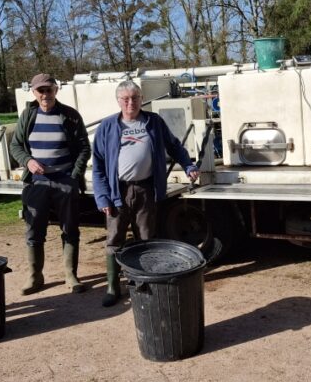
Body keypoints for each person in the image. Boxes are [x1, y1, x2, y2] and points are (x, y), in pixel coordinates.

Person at [92, 81, 199, 307]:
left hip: (146, 189)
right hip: (117, 192)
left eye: (135, 97)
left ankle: (143, 283)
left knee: (147, 238)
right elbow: (99, 165)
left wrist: (188, 165)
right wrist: (102, 196)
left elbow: (174, 145)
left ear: (142, 99)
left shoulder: (154, 122)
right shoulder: (108, 126)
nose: (131, 102)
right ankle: (113, 287)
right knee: (114, 240)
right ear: (118, 101)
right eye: (126, 99)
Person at [10, 73, 91, 295]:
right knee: (34, 230)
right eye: (41, 90)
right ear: (34, 93)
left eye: (49, 89)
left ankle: (70, 275)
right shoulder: (28, 115)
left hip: (65, 181)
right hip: (37, 184)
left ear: (56, 90)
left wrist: (74, 176)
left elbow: (84, 147)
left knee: (70, 229)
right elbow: (15, 146)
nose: (45, 94)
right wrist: (28, 161)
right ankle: (35, 277)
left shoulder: (70, 116)